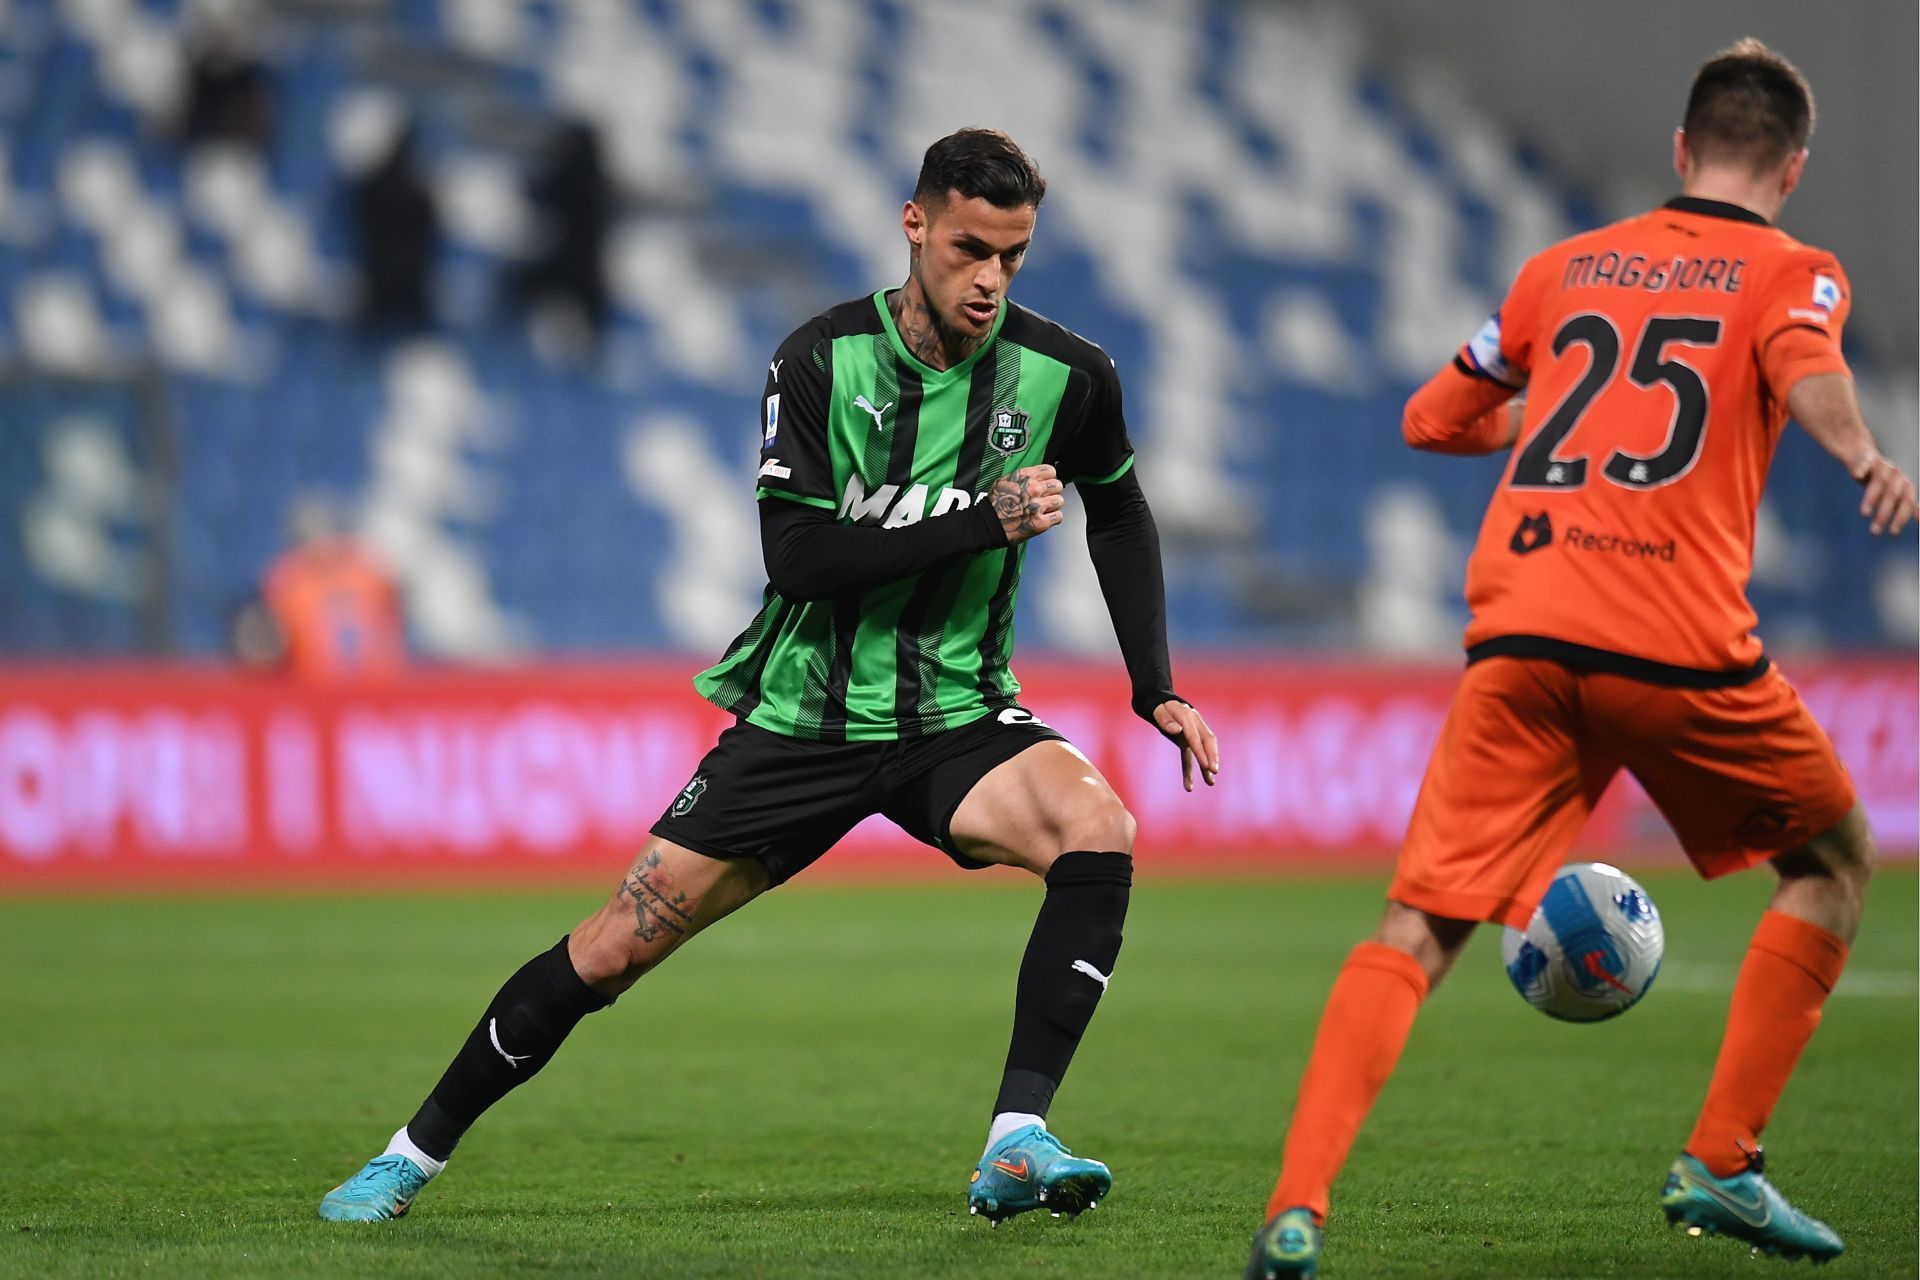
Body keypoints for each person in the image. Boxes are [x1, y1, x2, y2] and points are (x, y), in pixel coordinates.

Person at [319, 127, 1220, 1225]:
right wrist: (983, 517)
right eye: (971, 248)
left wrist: (1154, 680)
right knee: (610, 947)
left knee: (1100, 827)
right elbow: (797, 557)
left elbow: (1118, 505)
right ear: (916, 224)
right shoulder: (818, 361)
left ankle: (1015, 1137)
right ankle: (408, 1154)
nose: (989, 278)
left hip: (958, 715)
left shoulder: (1068, 376)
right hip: (803, 721)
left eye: (1014, 255)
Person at [1246, 39, 1914, 1279]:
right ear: (1792, 166)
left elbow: (1431, 417)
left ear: (1681, 148)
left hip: (1523, 624)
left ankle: (1300, 1205)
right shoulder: (1793, 269)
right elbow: (1807, 368)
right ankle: (1722, 1156)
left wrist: (1559, 415)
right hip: (1674, 641)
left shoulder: (1561, 268)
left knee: (1417, 925)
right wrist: (1864, 451)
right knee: (1831, 858)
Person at [239, 493, 406, 680]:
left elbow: (392, 618)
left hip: (375, 683)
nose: (320, 544)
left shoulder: (369, 570)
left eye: (324, 533)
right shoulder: (286, 580)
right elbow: (271, 642)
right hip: (312, 686)